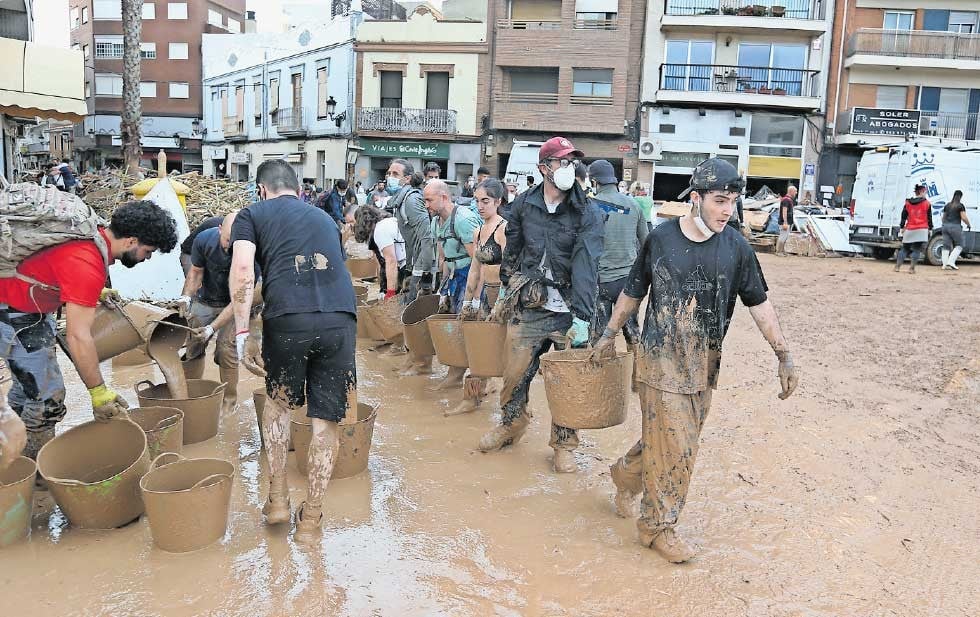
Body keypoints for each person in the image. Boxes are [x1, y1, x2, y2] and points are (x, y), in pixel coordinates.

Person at [592, 157, 799, 563]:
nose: (728, 210)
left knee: (670, 439)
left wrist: (784, 355)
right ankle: (656, 527)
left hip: (704, 364)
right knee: (679, 446)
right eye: (720, 201)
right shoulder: (661, 239)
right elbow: (633, 292)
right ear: (697, 198)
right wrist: (608, 334)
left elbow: (759, 303)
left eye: (733, 202)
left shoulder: (736, 246)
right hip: (658, 358)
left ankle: (627, 474)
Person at [229, 159, 357, 543]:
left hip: (288, 320)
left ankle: (279, 498)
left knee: (279, 405)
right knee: (325, 423)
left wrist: (242, 331)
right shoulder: (324, 219)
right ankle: (312, 520)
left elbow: (242, 271)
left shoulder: (251, 214)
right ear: (298, 188)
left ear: (261, 189)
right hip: (341, 318)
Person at [0, 201, 178, 459]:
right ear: (131, 241)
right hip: (16, 314)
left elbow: (52, 266)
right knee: (47, 400)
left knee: (27, 387)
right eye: (148, 251)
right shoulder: (86, 260)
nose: (147, 258)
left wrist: (93, 292)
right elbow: (78, 336)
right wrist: (98, 392)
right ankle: (32, 475)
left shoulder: (93, 232)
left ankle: (10, 451)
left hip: (29, 306)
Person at [479, 136, 604, 474]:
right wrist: (506, 286)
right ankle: (512, 424)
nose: (568, 168)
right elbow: (514, 249)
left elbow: (587, 265)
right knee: (514, 373)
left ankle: (564, 445)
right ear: (543, 169)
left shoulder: (586, 212)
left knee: (569, 382)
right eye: (561, 162)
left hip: (569, 310)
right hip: (530, 304)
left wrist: (581, 317)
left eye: (571, 162)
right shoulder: (523, 206)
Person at [178, 211, 261, 414]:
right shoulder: (204, 240)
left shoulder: (253, 252)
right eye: (226, 240)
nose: (228, 246)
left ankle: (230, 402)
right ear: (219, 230)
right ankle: (191, 394)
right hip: (206, 298)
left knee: (226, 348)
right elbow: (196, 272)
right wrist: (186, 297)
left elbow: (240, 299)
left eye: (234, 242)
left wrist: (212, 329)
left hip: (236, 303)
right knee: (193, 343)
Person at [451, 179, 509, 417]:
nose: (480, 206)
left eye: (485, 201)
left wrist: (503, 302)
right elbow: (475, 269)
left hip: (506, 296)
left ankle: (509, 405)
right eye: (476, 201)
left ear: (498, 202)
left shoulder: (505, 229)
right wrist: (468, 303)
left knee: (506, 348)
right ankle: (471, 399)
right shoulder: (478, 231)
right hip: (486, 295)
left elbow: (510, 270)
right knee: (478, 347)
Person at [419, 180, 481, 382]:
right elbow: (443, 258)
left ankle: (478, 378)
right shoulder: (435, 221)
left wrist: (474, 298)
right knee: (453, 324)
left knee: (469, 327)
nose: (426, 205)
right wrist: (442, 290)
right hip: (452, 276)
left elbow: (478, 262)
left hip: (469, 275)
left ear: (444, 197)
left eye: (429, 200)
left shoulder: (463, 220)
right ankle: (456, 372)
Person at [588, 160, 646, 361]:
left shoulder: (590, 206)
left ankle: (603, 379)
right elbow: (646, 243)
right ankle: (636, 379)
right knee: (633, 333)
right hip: (628, 283)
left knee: (599, 335)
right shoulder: (634, 205)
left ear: (594, 181)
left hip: (600, 282)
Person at [385, 159, 436, 302]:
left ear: (407, 178)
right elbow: (409, 240)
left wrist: (426, 274)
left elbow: (426, 238)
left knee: (415, 307)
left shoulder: (411, 201)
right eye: (389, 173)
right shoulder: (401, 200)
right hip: (416, 260)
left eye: (395, 174)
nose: (390, 177)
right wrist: (408, 267)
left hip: (424, 261)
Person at [354, 204, 408, 300]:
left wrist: (390, 292)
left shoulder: (380, 230)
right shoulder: (388, 221)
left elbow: (391, 261)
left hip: (407, 263)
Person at [895, 184, 933, 273]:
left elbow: (903, 216)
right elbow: (929, 218)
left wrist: (901, 226)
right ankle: (911, 269)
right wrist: (930, 228)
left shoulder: (908, 203)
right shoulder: (927, 203)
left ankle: (897, 267)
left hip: (910, 228)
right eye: (925, 192)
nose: (926, 194)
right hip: (922, 229)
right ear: (922, 192)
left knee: (904, 248)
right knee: (916, 249)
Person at [941, 190, 971, 271]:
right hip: (955, 227)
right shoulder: (960, 206)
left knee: (946, 246)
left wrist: (945, 225)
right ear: (960, 196)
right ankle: (951, 261)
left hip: (945, 227)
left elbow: (943, 218)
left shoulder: (947, 205)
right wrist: (968, 224)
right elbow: (963, 217)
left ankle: (944, 265)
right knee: (960, 244)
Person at [775, 185, 797, 256]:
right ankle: (779, 251)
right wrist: (785, 222)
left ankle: (782, 251)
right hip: (784, 222)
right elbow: (784, 211)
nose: (796, 193)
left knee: (785, 236)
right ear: (791, 191)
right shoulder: (786, 200)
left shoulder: (788, 200)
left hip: (788, 222)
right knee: (783, 236)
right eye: (795, 191)